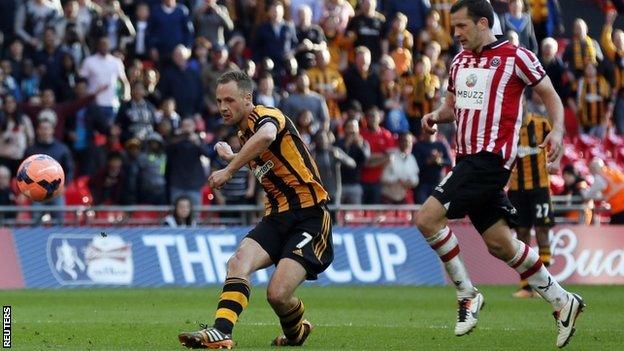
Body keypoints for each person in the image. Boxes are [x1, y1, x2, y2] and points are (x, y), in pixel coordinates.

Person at [416, 1, 584, 348]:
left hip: (490, 160)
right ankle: (562, 301)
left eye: (462, 26)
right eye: (454, 27)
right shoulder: (459, 62)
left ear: (482, 22)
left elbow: (550, 94)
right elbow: (452, 108)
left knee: (427, 219)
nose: (456, 33)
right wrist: (436, 115)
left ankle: (466, 294)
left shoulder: (517, 56)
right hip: (467, 161)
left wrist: (557, 131)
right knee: (500, 244)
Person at [178, 71, 333, 348]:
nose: (223, 107)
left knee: (277, 294)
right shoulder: (243, 134)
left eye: (229, 100)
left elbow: (267, 136)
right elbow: (265, 155)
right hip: (275, 217)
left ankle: (296, 333)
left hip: (309, 215)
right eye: (219, 101)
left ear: (247, 99)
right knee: (238, 262)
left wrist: (229, 168)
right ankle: (221, 332)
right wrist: (235, 156)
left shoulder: (266, 115)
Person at [507, 90, 555, 298]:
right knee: (522, 234)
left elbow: (558, 141)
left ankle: (545, 284)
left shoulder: (542, 124)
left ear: (525, 103)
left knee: (542, 231)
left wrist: (556, 160)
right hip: (517, 189)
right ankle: (526, 285)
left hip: (540, 187)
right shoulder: (509, 129)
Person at [584, 157, 624, 224]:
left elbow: (589, 194)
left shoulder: (600, 177)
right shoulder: (612, 172)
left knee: (615, 231)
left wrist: (586, 195)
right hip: (619, 208)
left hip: (620, 209)